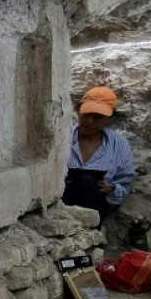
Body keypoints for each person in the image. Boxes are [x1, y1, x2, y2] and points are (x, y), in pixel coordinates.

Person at [63, 86, 136, 221]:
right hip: (63, 202)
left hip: (95, 206)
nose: (90, 121)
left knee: (86, 181)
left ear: (109, 118)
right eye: (86, 114)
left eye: (97, 117)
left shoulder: (118, 144)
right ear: (78, 112)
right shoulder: (61, 138)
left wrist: (111, 188)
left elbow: (124, 184)